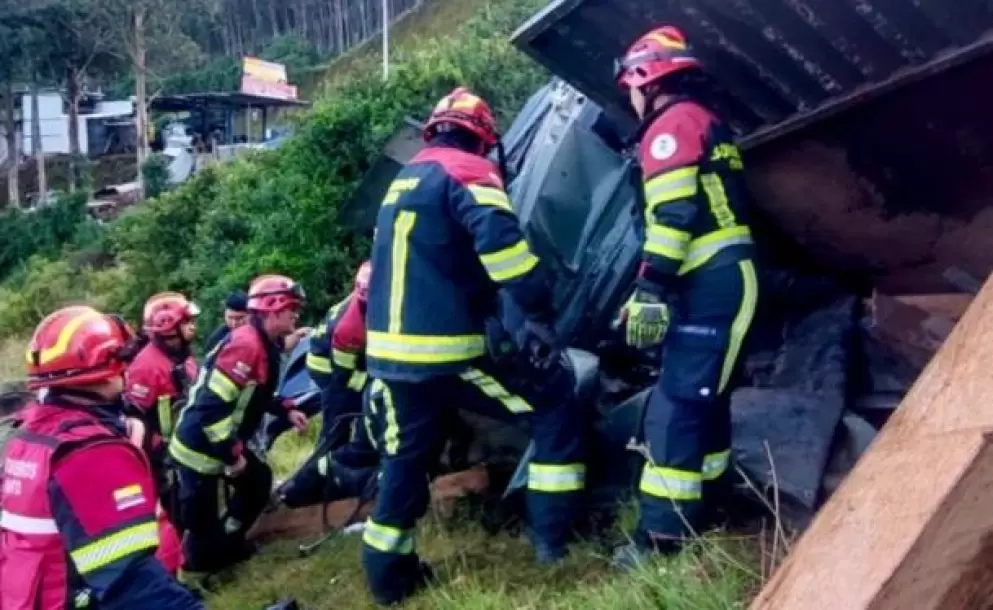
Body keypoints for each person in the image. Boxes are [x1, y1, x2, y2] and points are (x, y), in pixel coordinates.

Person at [362, 86, 586, 606]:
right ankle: (553, 539)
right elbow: (504, 254)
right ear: (481, 136)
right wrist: (538, 311)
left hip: (390, 358)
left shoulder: (407, 176)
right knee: (553, 407)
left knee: (404, 458)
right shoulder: (469, 170)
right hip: (443, 354)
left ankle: (388, 580)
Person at [612, 25, 760, 566]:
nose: (628, 99)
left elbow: (672, 218)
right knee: (704, 402)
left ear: (644, 79)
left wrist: (649, 289)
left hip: (713, 282)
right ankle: (714, 506)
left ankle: (659, 540)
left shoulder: (671, 127)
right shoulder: (703, 121)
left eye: (629, 86)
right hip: (718, 280)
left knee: (677, 408)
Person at [0, 305, 203, 609]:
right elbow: (128, 580)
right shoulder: (90, 452)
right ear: (106, 368)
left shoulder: (29, 437)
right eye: (121, 359)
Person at [168, 274, 310, 588]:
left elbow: (254, 393)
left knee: (257, 482)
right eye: (292, 309)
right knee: (201, 524)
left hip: (222, 442)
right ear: (273, 310)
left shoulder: (262, 342)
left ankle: (228, 544)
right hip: (199, 449)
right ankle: (194, 582)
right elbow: (210, 410)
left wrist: (287, 408)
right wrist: (232, 456)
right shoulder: (247, 346)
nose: (296, 315)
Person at [124, 292, 200, 505]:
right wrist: (157, 453)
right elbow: (135, 417)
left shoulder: (182, 355)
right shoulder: (146, 367)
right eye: (187, 322)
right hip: (162, 454)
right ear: (169, 327)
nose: (193, 326)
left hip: (184, 443)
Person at [306, 261, 372, 448]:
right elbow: (343, 378)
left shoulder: (364, 300)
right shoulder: (350, 327)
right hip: (328, 368)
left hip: (345, 360)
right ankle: (324, 460)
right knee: (338, 418)